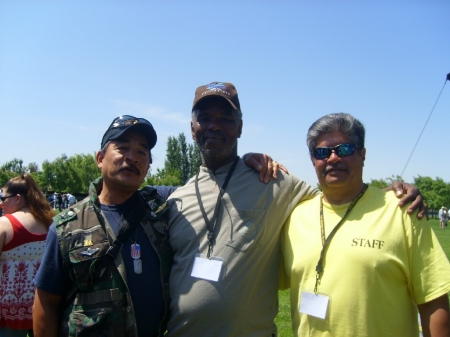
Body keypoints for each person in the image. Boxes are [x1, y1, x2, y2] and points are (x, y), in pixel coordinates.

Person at [164, 82, 425, 336]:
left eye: (226, 118)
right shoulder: (176, 201)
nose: (215, 125)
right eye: (205, 118)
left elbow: (338, 198)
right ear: (192, 128)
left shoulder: (271, 180)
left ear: (240, 127)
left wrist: (391, 195)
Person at [32, 114, 281, 337]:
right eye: (122, 148)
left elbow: (209, 185)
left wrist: (244, 163)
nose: (132, 157)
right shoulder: (68, 226)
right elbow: (46, 304)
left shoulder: (161, 205)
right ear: (100, 158)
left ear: (148, 166)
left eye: (142, 152)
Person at [281, 113, 450, 337]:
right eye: (322, 152)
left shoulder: (402, 211)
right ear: (313, 160)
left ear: (362, 155)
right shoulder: (295, 217)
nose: (332, 158)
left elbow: (433, 302)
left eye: (344, 149)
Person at [0, 174, 55, 337]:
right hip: (44, 306)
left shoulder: (4, 224)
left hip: (9, 312)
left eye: (3, 198)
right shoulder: (50, 223)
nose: (1, 204)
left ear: (18, 199)